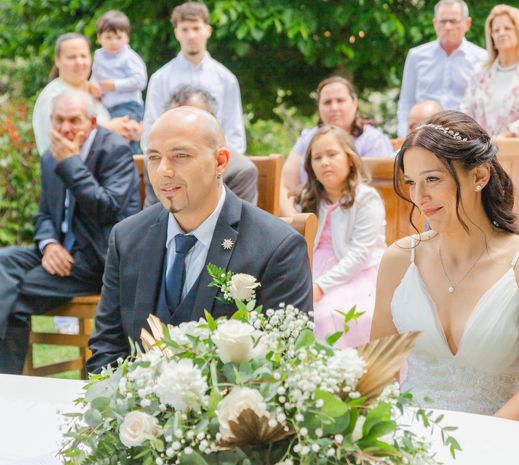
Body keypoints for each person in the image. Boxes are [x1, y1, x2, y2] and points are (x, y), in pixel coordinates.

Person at [371, 111, 519, 427]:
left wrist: (479, 446)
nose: (420, 197)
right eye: (411, 182)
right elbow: (378, 373)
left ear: (479, 176)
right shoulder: (398, 261)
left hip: (504, 436)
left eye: (432, 179)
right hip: (413, 439)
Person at [87, 107, 313, 373]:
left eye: (180, 155)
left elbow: (284, 364)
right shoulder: (127, 238)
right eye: (154, 157)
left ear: (220, 162)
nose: (164, 171)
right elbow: (106, 349)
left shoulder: (278, 248)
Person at [0, 90, 140, 373]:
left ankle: (8, 379)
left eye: (74, 121)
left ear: (91, 123)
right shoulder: (50, 157)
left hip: (99, 259)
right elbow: (44, 215)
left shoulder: (114, 151)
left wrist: (71, 164)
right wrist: (49, 244)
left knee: (13, 295)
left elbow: (107, 210)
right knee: (4, 261)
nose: (65, 128)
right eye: (59, 120)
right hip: (60, 253)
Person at [461, 4, 519, 224]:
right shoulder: (479, 73)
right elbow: (466, 113)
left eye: (507, 28)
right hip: (484, 158)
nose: (501, 33)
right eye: (496, 30)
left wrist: (503, 138)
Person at [296, 125, 386, 348]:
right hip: (311, 268)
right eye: (317, 158)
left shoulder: (366, 199)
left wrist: (320, 286)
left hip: (357, 274)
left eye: (332, 154)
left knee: (326, 314)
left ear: (350, 159)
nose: (324, 162)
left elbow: (359, 255)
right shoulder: (309, 200)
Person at [281, 76, 394, 215]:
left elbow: (381, 193)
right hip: (306, 215)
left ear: (354, 103)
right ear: (319, 107)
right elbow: (285, 187)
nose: (334, 107)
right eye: (327, 102)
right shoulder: (308, 138)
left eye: (340, 100)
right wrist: (296, 223)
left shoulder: (373, 140)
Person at [142, 1, 246, 153]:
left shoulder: (226, 79)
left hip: (216, 164)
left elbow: (234, 131)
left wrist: (221, 167)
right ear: (176, 33)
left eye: (196, 28)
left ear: (208, 30)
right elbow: (151, 129)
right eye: (185, 29)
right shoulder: (160, 79)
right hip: (172, 163)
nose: (191, 35)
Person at [142, 85, 258, 207]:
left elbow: (239, 221)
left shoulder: (240, 170)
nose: (163, 170)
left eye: (181, 155)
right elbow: (151, 216)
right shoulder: (154, 163)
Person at [32, 33, 141, 156]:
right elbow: (58, 141)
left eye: (83, 56)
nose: (79, 62)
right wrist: (109, 130)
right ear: (57, 60)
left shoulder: (97, 92)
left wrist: (132, 130)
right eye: (71, 57)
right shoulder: (52, 96)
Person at [397, 0, 487, 137]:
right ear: (434, 24)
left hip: (464, 137)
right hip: (422, 135)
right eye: (442, 21)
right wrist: (403, 135)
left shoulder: (482, 59)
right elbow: (406, 101)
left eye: (453, 21)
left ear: (467, 23)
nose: (448, 26)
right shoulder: (416, 56)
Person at [89, 10, 147, 124]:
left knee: (121, 135)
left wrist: (115, 85)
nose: (114, 42)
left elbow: (140, 81)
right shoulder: (98, 56)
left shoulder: (129, 57)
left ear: (127, 38)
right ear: (99, 38)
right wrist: (93, 86)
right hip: (105, 107)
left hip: (128, 107)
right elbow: (95, 76)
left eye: (119, 37)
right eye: (108, 37)